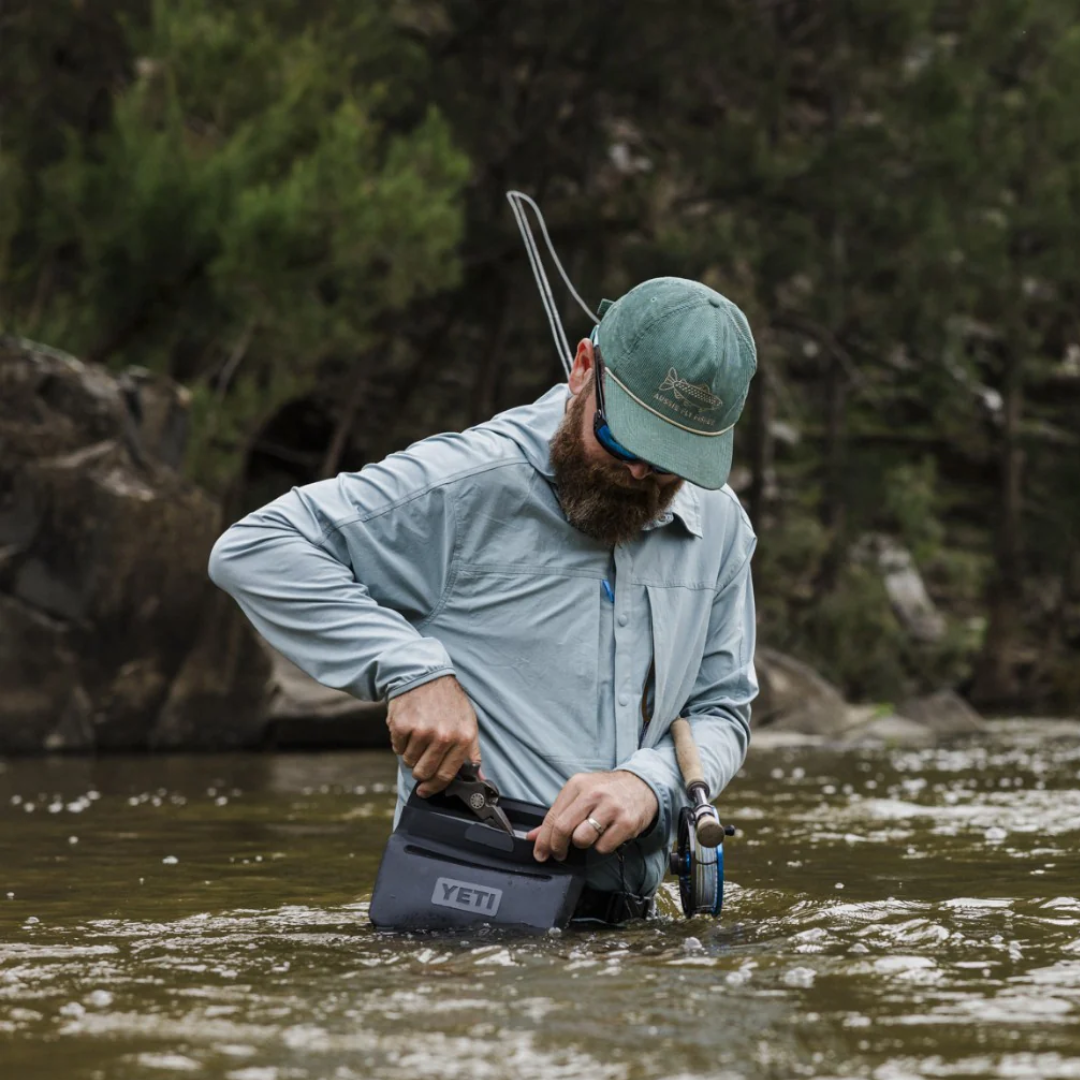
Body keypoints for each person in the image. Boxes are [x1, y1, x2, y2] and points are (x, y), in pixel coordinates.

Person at [209, 276, 759, 922]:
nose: (640, 474)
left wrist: (649, 783)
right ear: (584, 368)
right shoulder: (465, 485)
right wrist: (411, 669)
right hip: (463, 930)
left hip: (634, 931)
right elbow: (256, 548)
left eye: (669, 464)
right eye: (621, 440)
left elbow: (722, 709)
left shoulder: (720, 528)